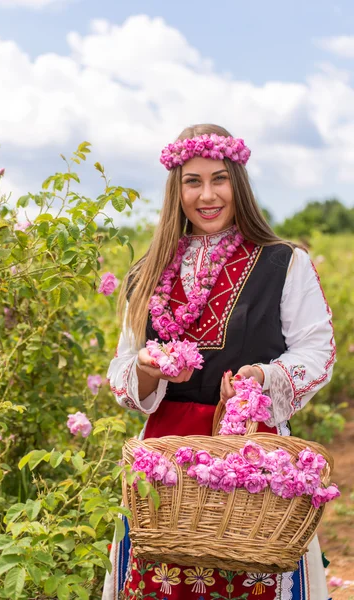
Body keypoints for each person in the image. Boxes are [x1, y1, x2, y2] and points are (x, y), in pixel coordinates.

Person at [102, 124, 335, 600]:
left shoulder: (283, 262)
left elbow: (316, 349)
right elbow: (124, 364)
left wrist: (262, 377)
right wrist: (147, 368)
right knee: (163, 579)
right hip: (166, 459)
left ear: (239, 184)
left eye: (219, 179)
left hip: (251, 450)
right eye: (193, 181)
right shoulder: (146, 273)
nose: (207, 195)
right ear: (176, 189)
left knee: (254, 572)